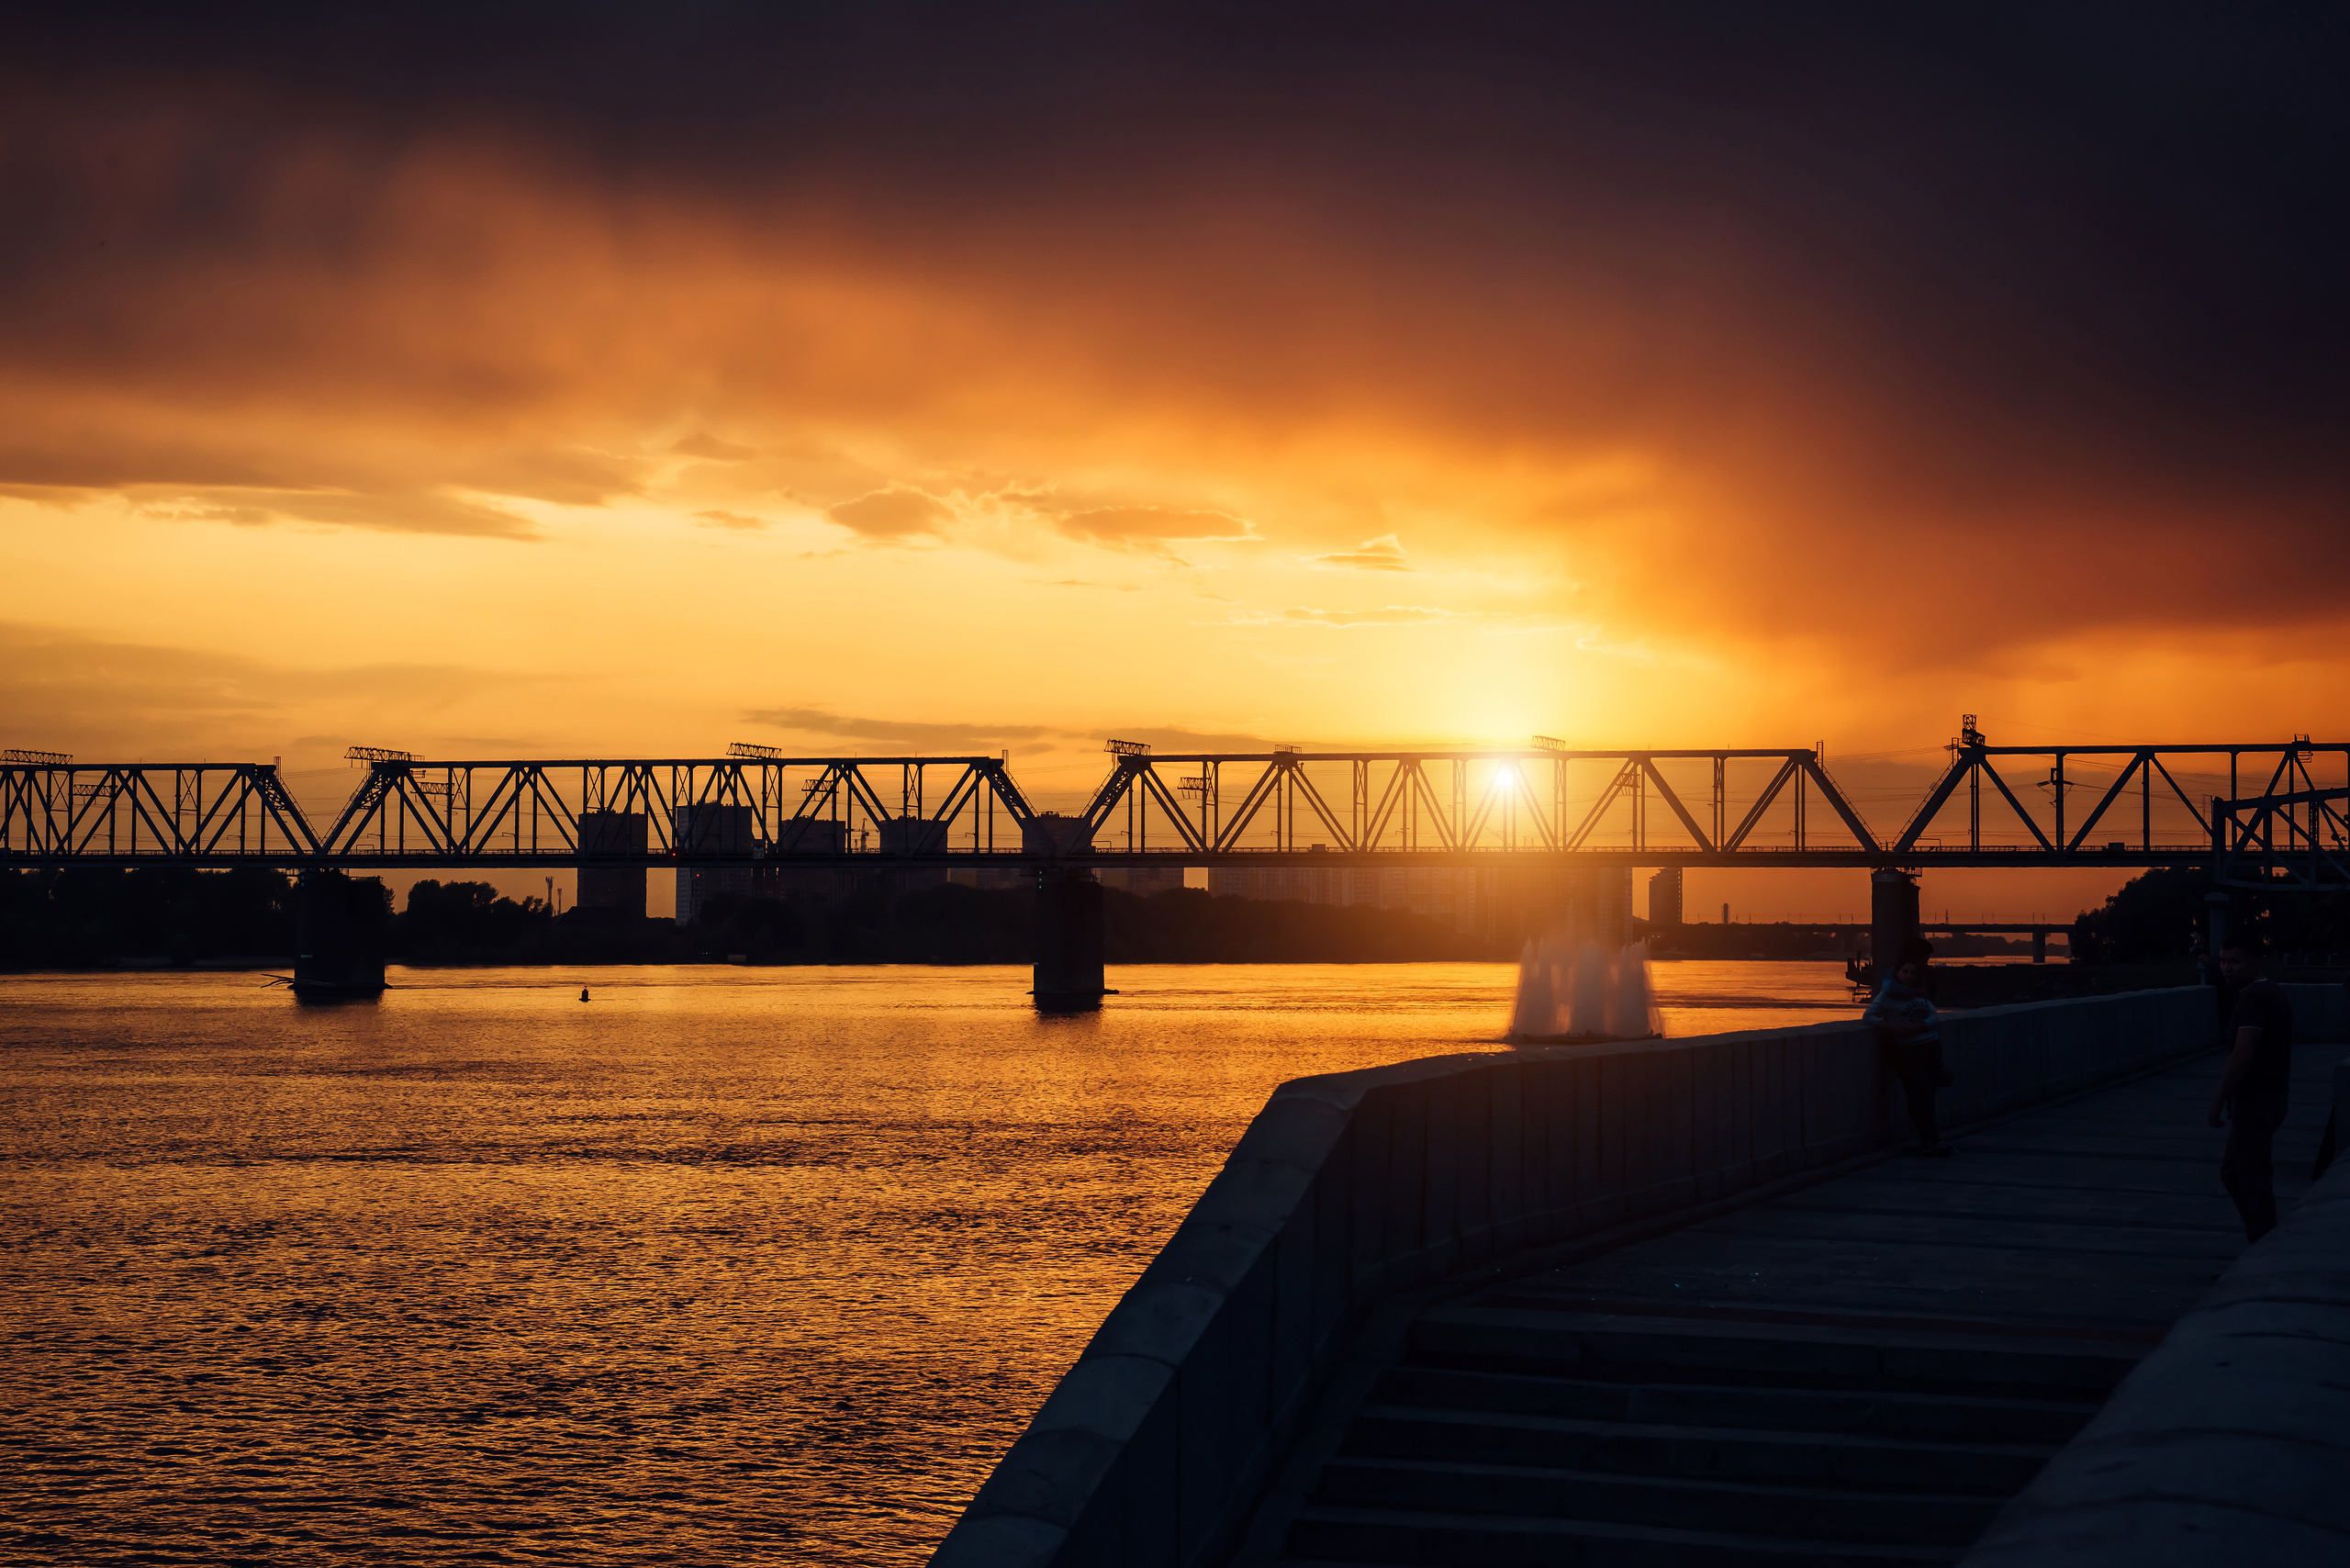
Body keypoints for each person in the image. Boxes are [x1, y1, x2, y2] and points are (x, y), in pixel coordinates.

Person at [2209, 935, 2293, 1242]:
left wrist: (2218, 1101)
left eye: (2235, 961)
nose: (2226, 968)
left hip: (2258, 1103)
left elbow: (2242, 1056)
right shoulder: (2270, 992)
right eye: (2222, 961)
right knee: (2234, 1174)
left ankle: (2265, 1251)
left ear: (2254, 962)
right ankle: (2263, 1243)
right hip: (2267, 1099)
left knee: (2252, 1182)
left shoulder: (2254, 998)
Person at [1866, 936, 1953, 1156]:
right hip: (1908, 1048)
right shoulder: (1902, 985)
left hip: (1928, 1045)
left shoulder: (1919, 979)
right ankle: (1933, 1140)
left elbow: (1932, 1012)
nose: (1926, 961)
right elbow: (1873, 1011)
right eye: (1925, 957)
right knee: (1920, 1095)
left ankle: (1929, 1140)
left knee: (1925, 1095)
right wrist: (1891, 1027)